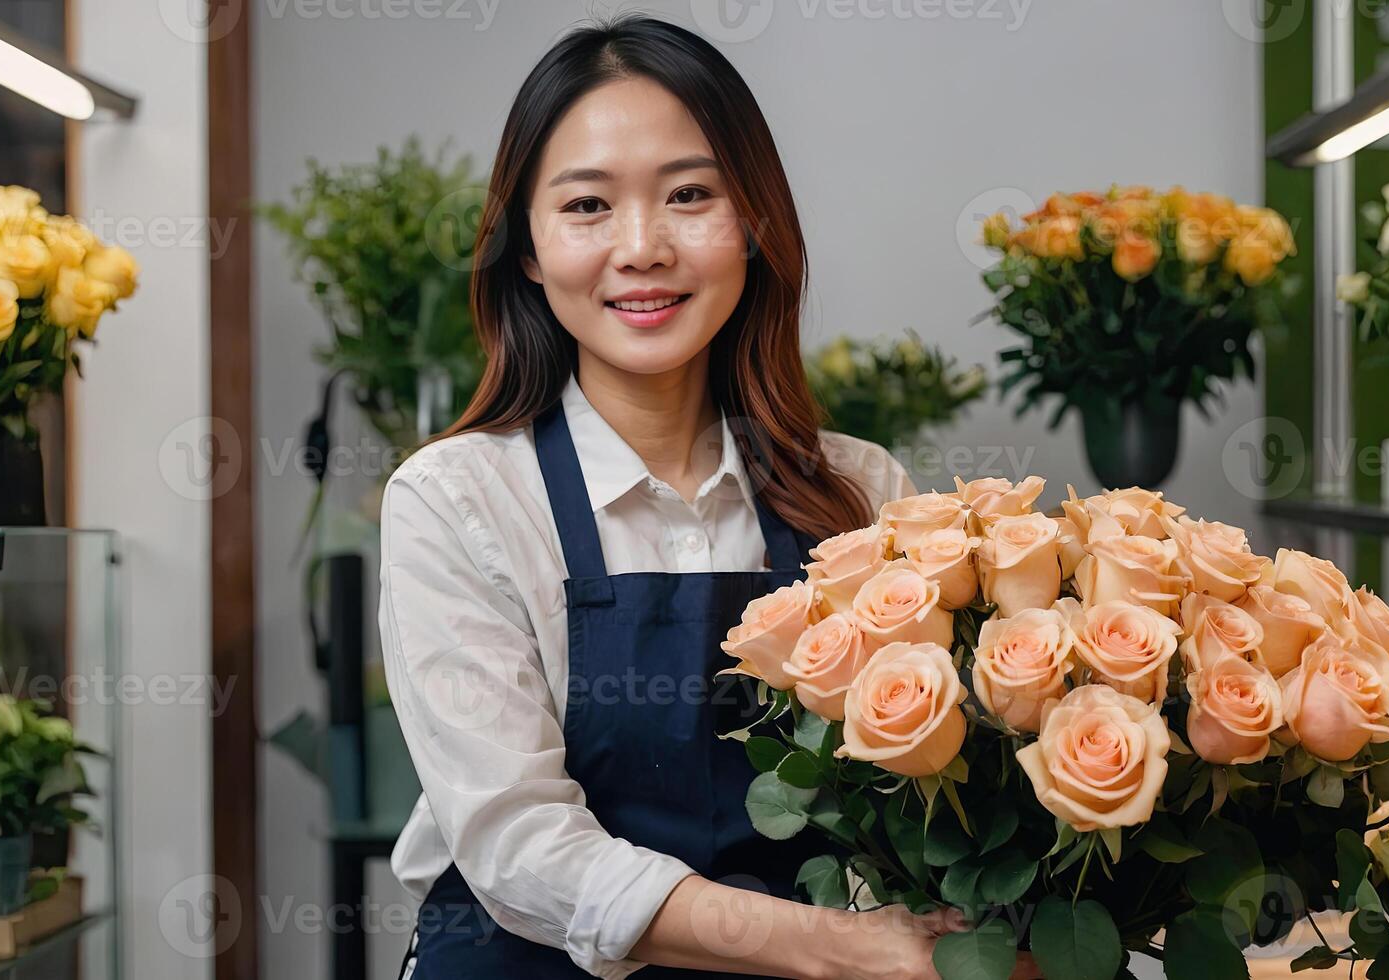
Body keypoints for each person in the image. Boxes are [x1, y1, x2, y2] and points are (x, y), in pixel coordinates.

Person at [379, 14, 999, 979]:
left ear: (754, 223)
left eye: (690, 195)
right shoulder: (457, 499)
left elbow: (911, 804)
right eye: (587, 206)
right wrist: (838, 951)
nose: (642, 248)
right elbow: (517, 846)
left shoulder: (862, 492)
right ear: (529, 251)